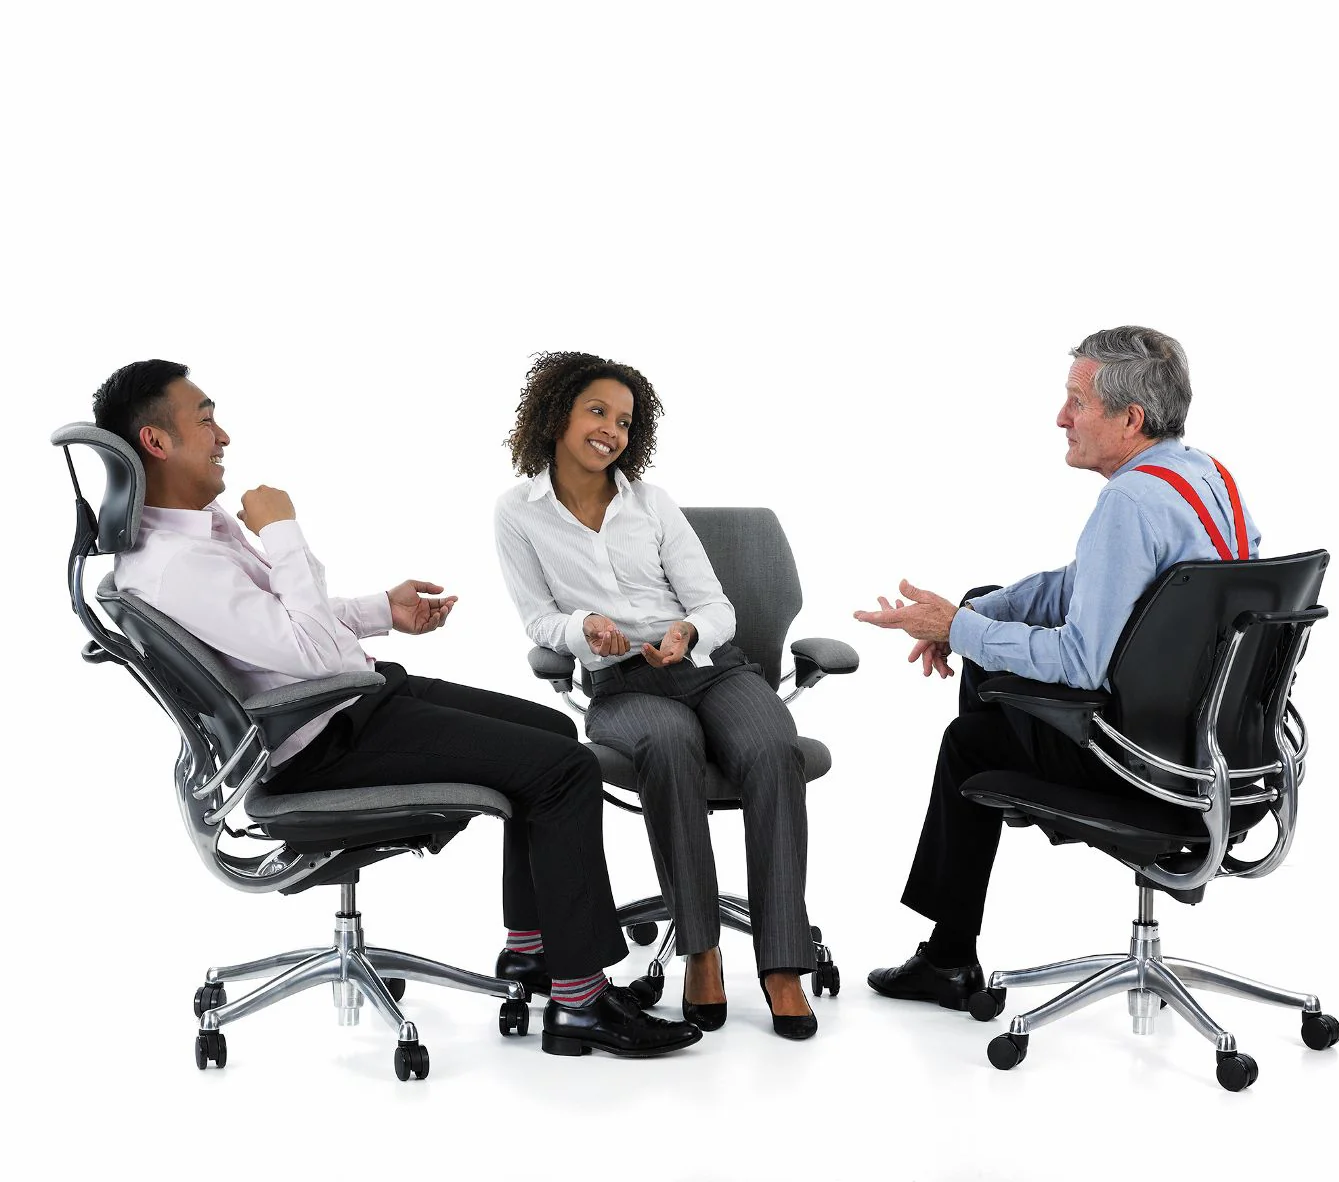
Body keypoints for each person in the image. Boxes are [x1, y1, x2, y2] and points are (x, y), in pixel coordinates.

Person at [92, 359, 701, 1060]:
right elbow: (308, 650)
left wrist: (382, 610)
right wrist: (284, 533)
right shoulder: (176, 565)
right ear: (156, 442)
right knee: (564, 768)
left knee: (552, 729)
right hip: (322, 740)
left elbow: (284, 624)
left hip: (351, 701)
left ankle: (533, 951)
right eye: (205, 420)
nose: (222, 435)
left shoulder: (195, 535)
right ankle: (581, 1003)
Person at [854, 327, 1261, 1010]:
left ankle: (950, 954)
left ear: (1129, 419)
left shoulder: (1128, 503)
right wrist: (968, 615)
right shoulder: (1205, 476)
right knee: (986, 610)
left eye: (1077, 402)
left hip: (1149, 766)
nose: (1060, 418)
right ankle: (988, 834)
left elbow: (1078, 663)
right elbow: (1082, 585)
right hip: (1224, 754)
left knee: (971, 742)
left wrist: (958, 632)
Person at [494, 351, 819, 1040]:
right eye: (597, 411)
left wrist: (689, 630)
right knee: (668, 746)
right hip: (622, 682)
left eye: (623, 421)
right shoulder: (517, 513)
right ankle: (700, 951)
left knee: (774, 749)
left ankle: (783, 965)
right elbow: (537, 619)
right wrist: (583, 628)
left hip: (709, 667)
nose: (611, 430)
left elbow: (715, 604)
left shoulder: (651, 503)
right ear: (556, 414)